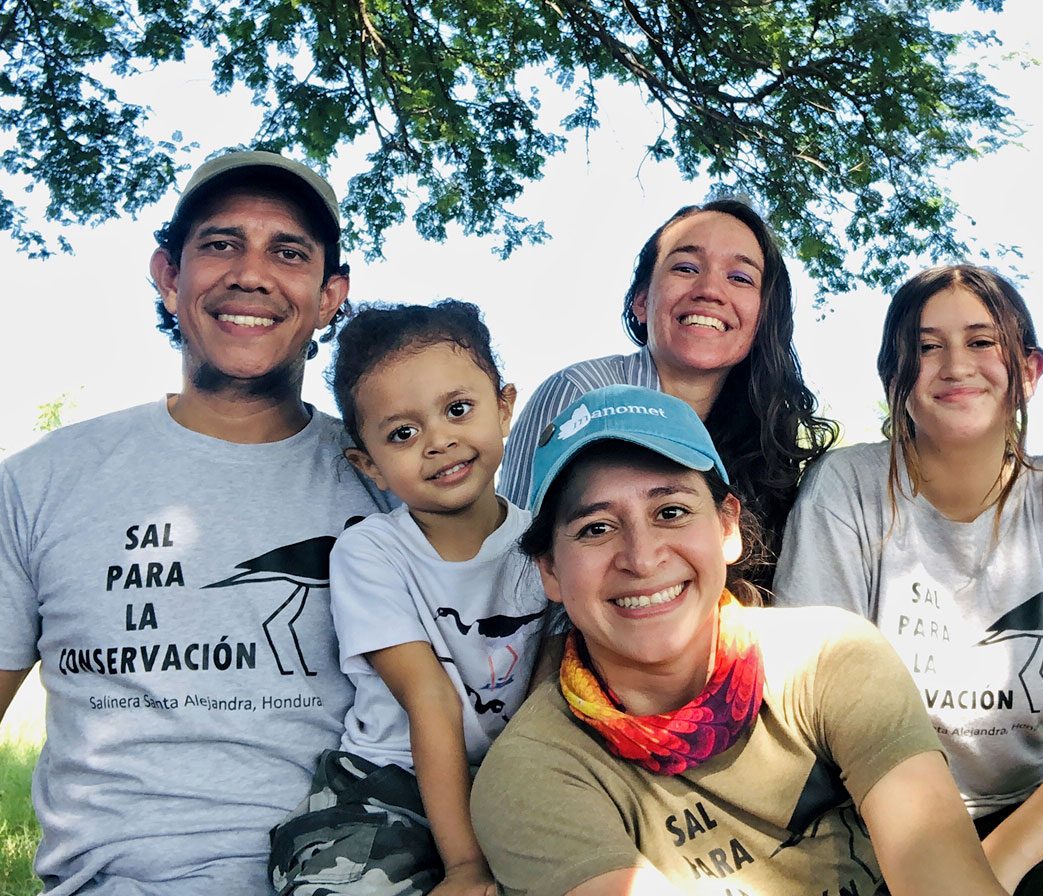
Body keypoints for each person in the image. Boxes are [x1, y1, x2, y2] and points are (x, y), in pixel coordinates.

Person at [0, 150, 392, 894]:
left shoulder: (394, 487)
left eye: (288, 251)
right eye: (219, 244)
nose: (250, 273)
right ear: (169, 275)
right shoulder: (39, 482)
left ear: (330, 293)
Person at [472, 384, 1010, 896]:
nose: (642, 557)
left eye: (671, 512)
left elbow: (943, 875)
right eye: (596, 528)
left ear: (727, 528)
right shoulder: (534, 772)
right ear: (549, 570)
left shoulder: (832, 660)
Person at [774, 264, 1043, 893]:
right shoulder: (847, 490)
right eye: (925, 347)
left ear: (1028, 371)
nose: (955, 364)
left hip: (1030, 828)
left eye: (981, 341)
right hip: (879, 836)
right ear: (895, 377)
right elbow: (812, 697)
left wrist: (990, 870)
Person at [269, 301, 547, 896]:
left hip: (510, 779)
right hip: (385, 784)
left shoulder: (546, 546)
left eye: (458, 409)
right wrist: (466, 865)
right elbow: (428, 697)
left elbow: (550, 693)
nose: (439, 441)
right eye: (403, 433)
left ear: (504, 409)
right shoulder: (370, 553)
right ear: (369, 465)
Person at [498, 199, 837, 590]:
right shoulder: (580, 397)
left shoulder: (767, 440)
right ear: (641, 302)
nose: (710, 290)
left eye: (740, 278)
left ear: (763, 319)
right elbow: (518, 578)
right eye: (686, 268)